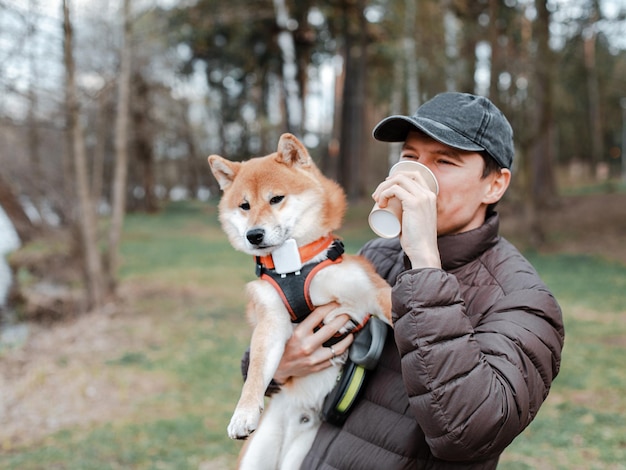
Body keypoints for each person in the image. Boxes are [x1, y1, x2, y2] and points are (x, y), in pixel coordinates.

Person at [266, 92, 565, 469]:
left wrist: (425, 262)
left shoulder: (523, 300)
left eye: (444, 161)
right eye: (410, 157)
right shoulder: (380, 254)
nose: (414, 176)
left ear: (495, 185)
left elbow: (467, 435)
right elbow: (299, 344)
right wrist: (278, 366)